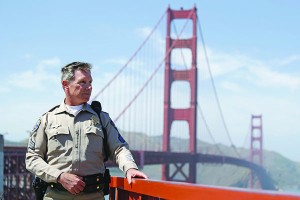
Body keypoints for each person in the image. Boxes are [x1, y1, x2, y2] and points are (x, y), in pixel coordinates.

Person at [26, 61, 148, 200]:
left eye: (90, 82)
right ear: (65, 85)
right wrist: (59, 176)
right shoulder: (47, 119)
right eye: (82, 82)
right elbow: (32, 158)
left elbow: (119, 148)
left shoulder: (102, 118)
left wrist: (130, 168)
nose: (89, 87)